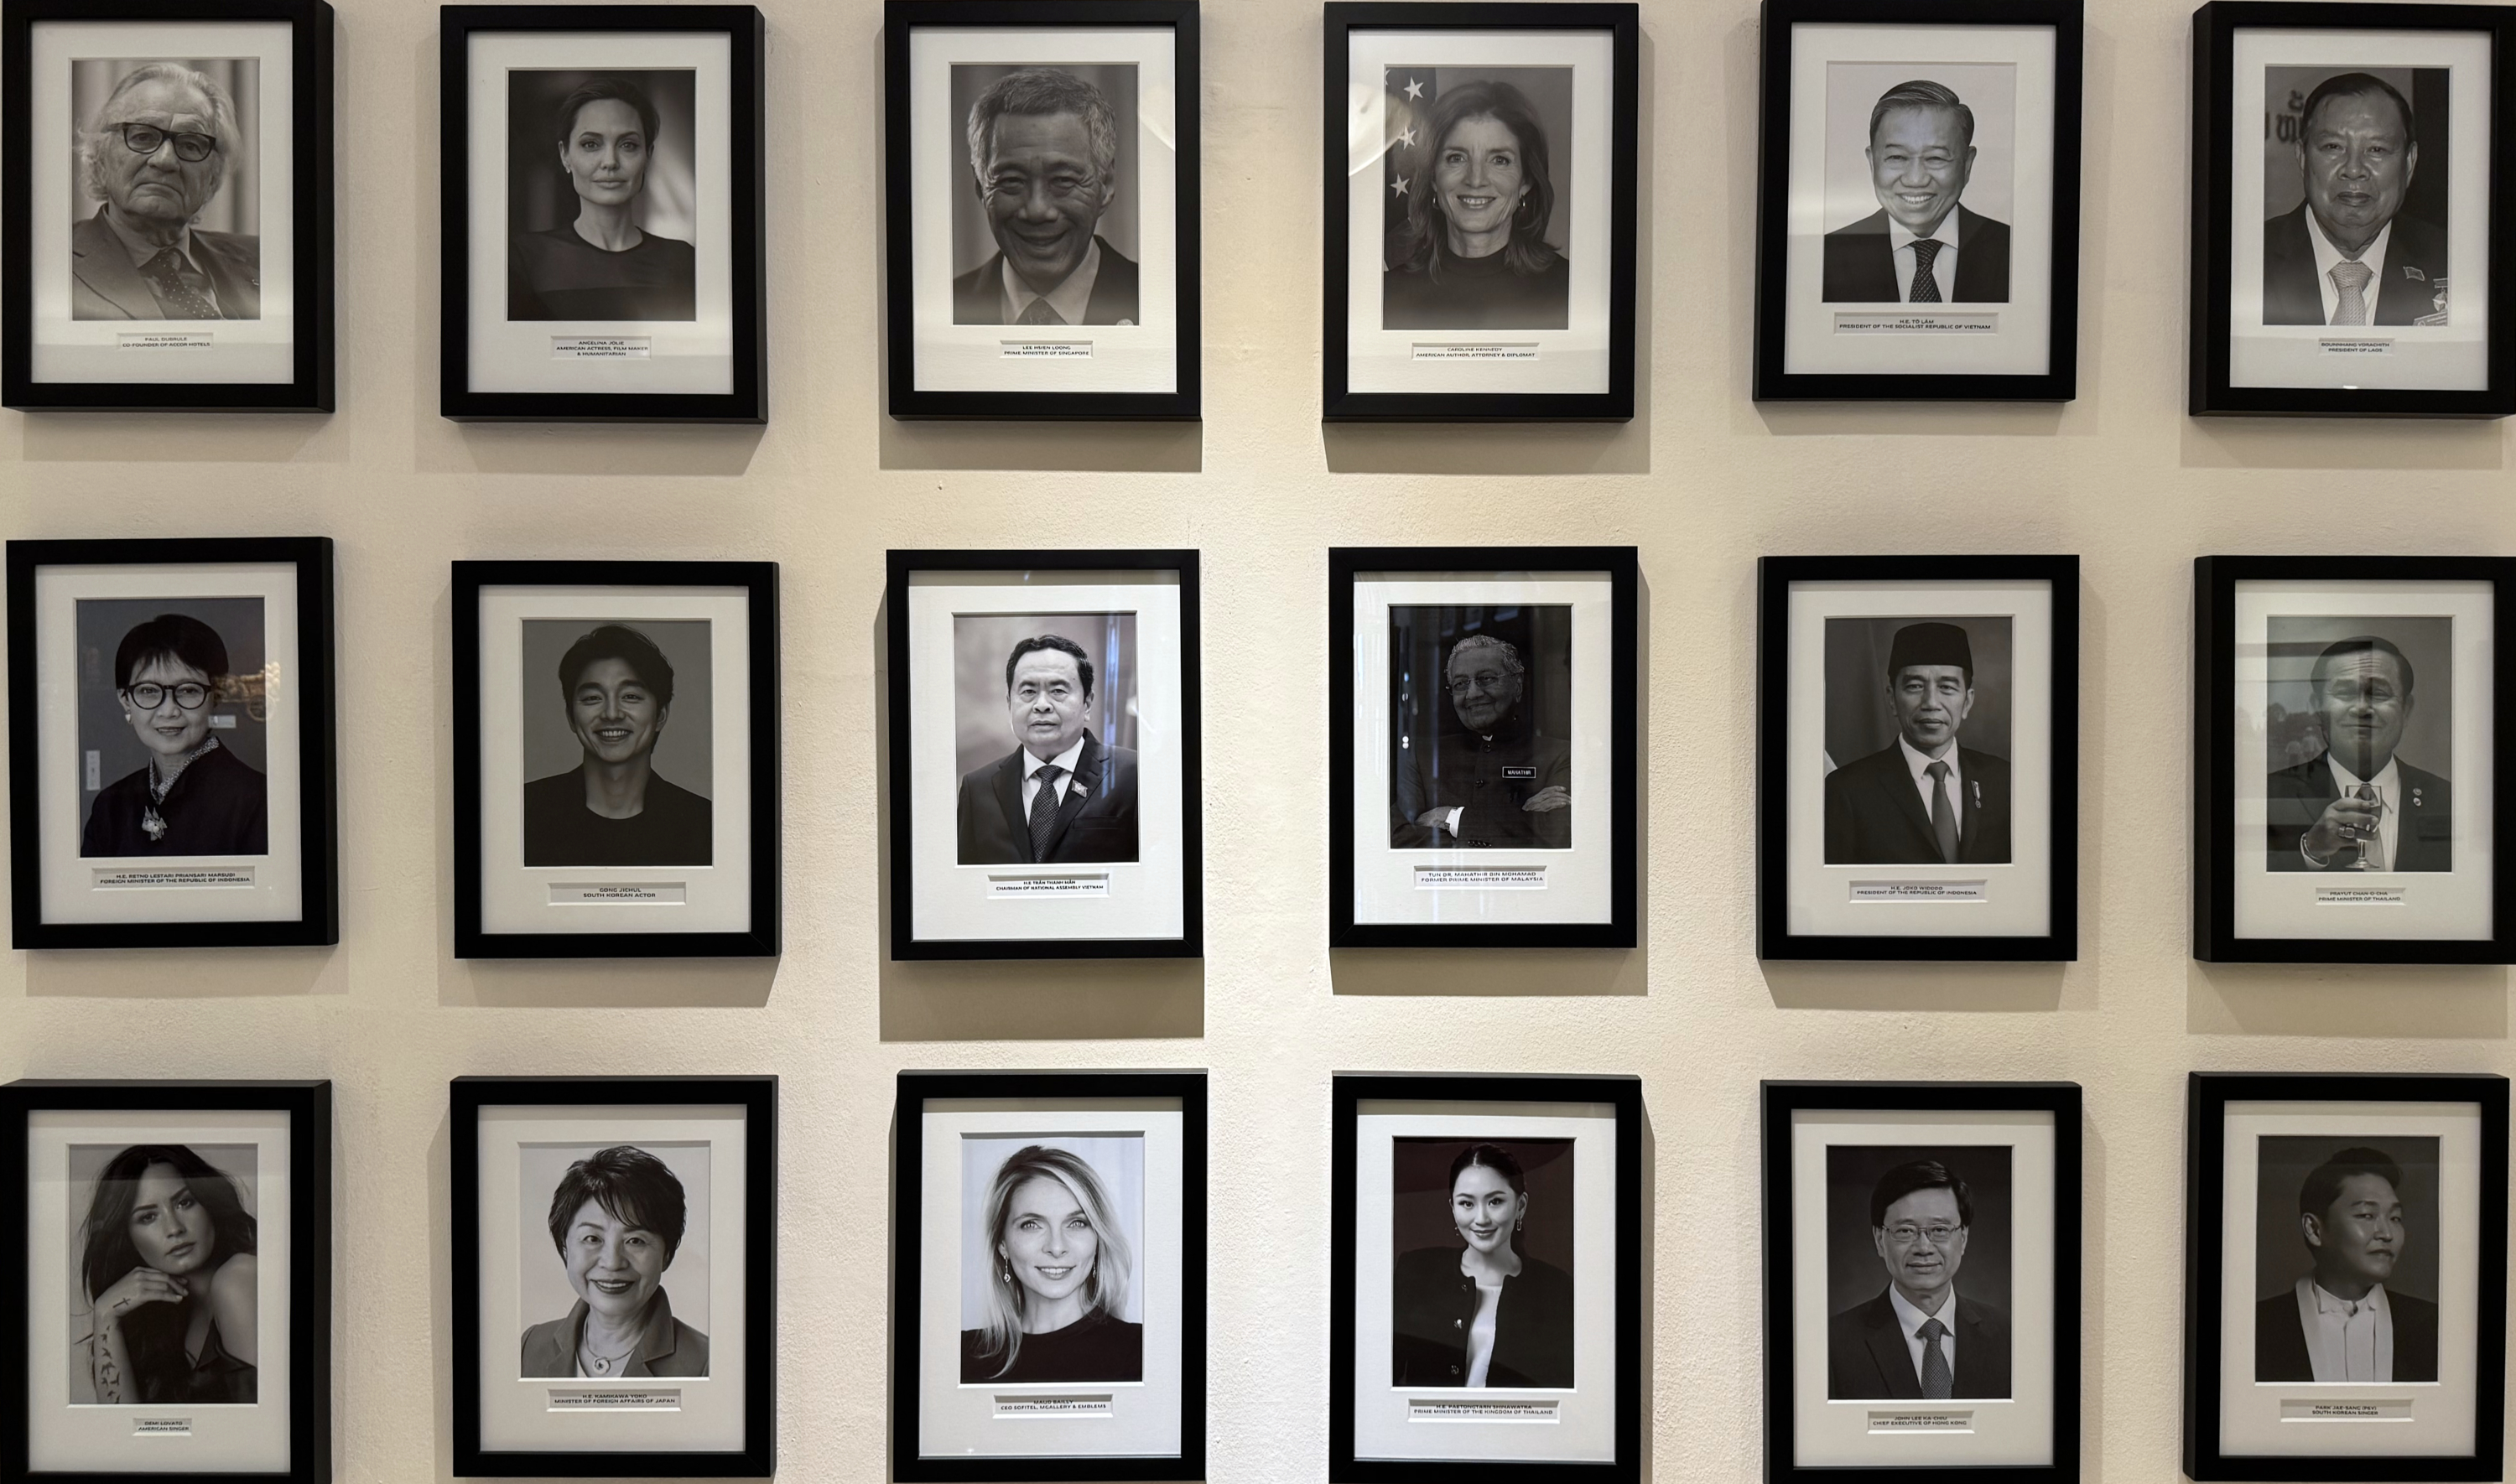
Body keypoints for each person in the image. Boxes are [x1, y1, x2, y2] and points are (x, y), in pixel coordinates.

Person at [70, 63, 260, 321]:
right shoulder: (51, 263)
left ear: (213, 177)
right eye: (143, 137)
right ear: (100, 157)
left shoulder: (263, 260)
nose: (165, 160)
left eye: (191, 144)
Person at [74, 1144, 258, 1405]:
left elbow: (264, 1425)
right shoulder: (157, 1320)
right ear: (127, 1237)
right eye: (148, 1217)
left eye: (185, 1202)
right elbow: (120, 1428)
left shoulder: (239, 1279)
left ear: (209, 1203)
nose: (174, 1228)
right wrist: (105, 1314)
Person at [952, 70, 1140, 326]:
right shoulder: (944, 309)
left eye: (1063, 180)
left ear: (1104, 186)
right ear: (980, 187)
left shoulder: (1159, 303)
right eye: (1012, 181)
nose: (1037, 210)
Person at [1382, 80, 1571, 330]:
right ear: (1433, 177)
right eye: (1456, 158)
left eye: (1500, 160)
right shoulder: (1387, 298)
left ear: (1526, 181)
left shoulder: (1570, 290)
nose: (1476, 179)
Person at [2262, 74, 2447, 327]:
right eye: (2333, 147)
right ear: (2302, 157)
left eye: (2376, 149)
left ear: (2409, 163)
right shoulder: (2248, 259)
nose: (2353, 169)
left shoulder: (2452, 262)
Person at [1822, 622, 2012, 864]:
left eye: (1946, 687)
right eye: (1915, 686)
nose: (1931, 702)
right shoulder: (1847, 790)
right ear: (1892, 698)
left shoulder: (2004, 781)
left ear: (1967, 702)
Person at [523, 624, 713, 867]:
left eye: (630, 696)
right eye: (593, 698)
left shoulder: (704, 824)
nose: (612, 714)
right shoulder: (525, 811)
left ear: (661, 715)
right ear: (571, 717)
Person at [81, 613, 268, 858]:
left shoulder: (257, 801)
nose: (168, 710)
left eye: (188, 690)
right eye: (148, 691)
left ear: (217, 696)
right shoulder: (110, 807)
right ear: (125, 700)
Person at [509, 77, 696, 320]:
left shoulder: (683, 260)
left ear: (648, 156)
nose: (610, 162)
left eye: (628, 145)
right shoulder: (525, 260)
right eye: (591, 144)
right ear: (565, 155)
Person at [1392, 1144, 1574, 1388]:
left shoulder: (1556, 1289)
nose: (1481, 1219)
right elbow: (1382, 1379)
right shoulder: (1416, 1272)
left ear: (1520, 1206)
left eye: (1495, 1201)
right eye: (1467, 1203)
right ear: (1453, 1207)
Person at [1827, 1159, 2011, 1399]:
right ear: (1880, 1240)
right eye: (1905, 1231)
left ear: (1963, 1237)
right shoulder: (1832, 1343)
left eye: (1940, 1230)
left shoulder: (2009, 1336)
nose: (1924, 1248)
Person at [2254, 1145, 2439, 1383]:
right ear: (2314, 1230)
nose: (2387, 1234)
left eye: (2395, 1218)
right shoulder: (2258, 1326)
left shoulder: (2432, 1325)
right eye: (2366, 1215)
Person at [521, 1146, 709, 1378]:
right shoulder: (530, 1347)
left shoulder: (706, 1364)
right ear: (565, 1247)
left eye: (635, 1241)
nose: (612, 1263)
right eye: (592, 1238)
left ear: (667, 1255)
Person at [2267, 636, 2451, 872]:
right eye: (2345, 693)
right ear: (2317, 708)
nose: (2363, 708)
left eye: (2379, 693)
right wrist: (2311, 850)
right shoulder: (2270, 797)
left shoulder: (2447, 800)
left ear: (2406, 710)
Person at [962, 1145, 1141, 1383]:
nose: (1056, 1248)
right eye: (1032, 1224)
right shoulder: (961, 1357)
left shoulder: (1142, 1352)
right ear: (1002, 1242)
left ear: (1098, 1238)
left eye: (1077, 1223)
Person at [1822, 80, 2011, 304]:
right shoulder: (1825, 257)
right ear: (1873, 163)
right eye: (1897, 157)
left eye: (1936, 158)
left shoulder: (2013, 250)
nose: (1915, 179)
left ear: (1967, 165)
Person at [956, 634, 1140, 864]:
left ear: (1087, 704)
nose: (1041, 705)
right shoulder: (977, 789)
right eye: (1028, 692)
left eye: (1058, 691)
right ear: (1010, 703)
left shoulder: (1133, 775)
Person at [1391, 635, 1571, 849]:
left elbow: (1559, 836)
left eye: (1486, 679)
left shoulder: (1560, 756)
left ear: (1517, 685)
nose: (1473, 694)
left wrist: (1452, 818)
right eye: (1460, 684)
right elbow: (1397, 837)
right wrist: (1522, 821)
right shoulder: (1422, 756)